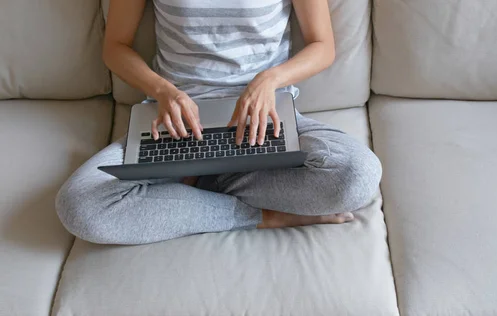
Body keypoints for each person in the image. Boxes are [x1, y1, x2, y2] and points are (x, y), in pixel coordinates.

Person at [55, 0, 382, 245]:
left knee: (358, 176)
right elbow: (115, 46)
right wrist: (162, 90)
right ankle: (261, 216)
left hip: (264, 117)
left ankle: (193, 187)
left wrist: (269, 80)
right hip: (176, 123)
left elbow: (322, 45)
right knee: (79, 206)